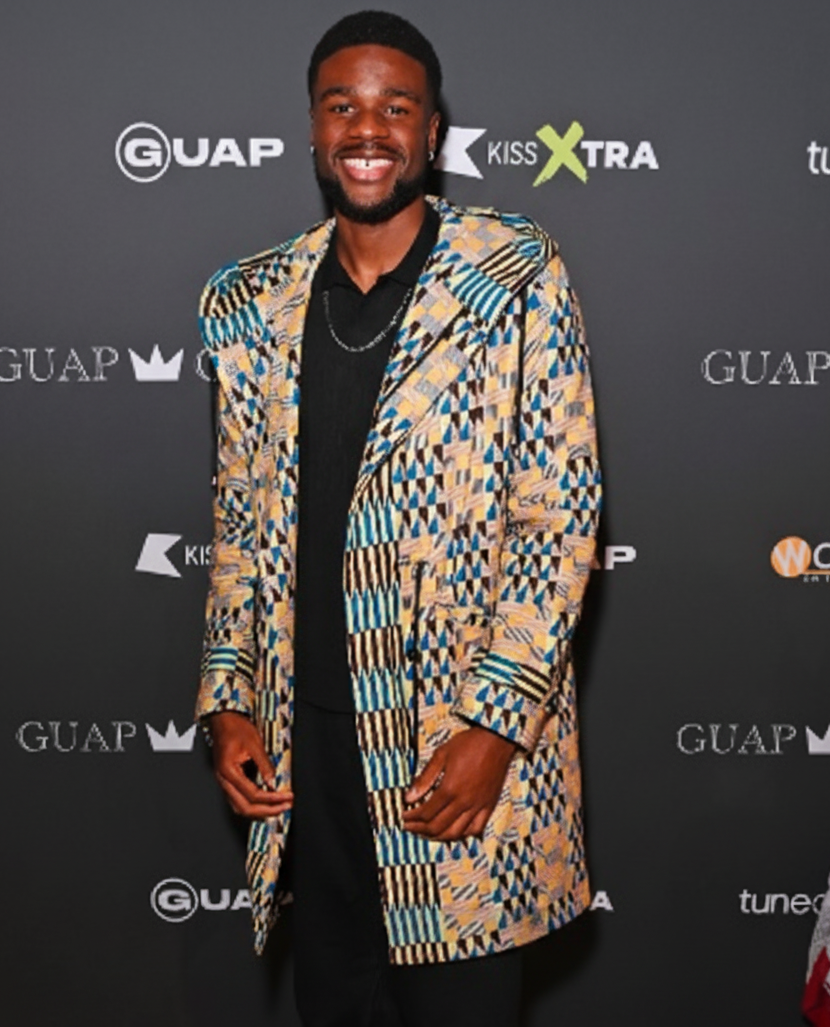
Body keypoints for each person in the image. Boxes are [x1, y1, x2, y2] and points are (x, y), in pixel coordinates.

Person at [195, 11, 601, 1026]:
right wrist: (231, 697)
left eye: (395, 108)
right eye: (342, 107)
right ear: (312, 127)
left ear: (431, 132)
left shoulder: (512, 272)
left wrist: (496, 724)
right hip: (307, 756)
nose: (367, 129)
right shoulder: (249, 300)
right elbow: (239, 519)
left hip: (446, 747)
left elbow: (558, 517)